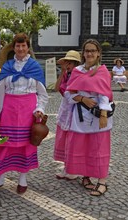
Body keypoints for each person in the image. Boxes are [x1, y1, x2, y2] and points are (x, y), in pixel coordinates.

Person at [0, 33, 48, 195]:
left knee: (25, 145)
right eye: (18, 46)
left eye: (23, 46)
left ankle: (22, 179)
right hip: (8, 111)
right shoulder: (7, 67)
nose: (20, 49)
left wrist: (40, 108)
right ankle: (0, 178)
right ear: (14, 48)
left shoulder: (34, 67)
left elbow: (42, 94)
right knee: (2, 144)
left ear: (27, 48)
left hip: (28, 112)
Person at [64, 39, 113, 196]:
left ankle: (102, 182)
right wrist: (82, 99)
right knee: (83, 147)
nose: (90, 53)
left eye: (93, 50)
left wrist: (104, 114)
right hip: (80, 115)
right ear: (83, 53)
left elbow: (104, 94)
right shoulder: (77, 71)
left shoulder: (102, 71)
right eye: (87, 51)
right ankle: (86, 176)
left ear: (98, 53)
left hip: (98, 114)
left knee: (99, 147)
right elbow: (68, 93)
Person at [53, 50, 81, 180]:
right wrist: (62, 72)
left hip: (75, 107)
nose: (68, 65)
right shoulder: (66, 75)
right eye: (66, 62)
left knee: (73, 138)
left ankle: (74, 169)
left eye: (70, 63)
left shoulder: (80, 75)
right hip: (65, 107)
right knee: (64, 138)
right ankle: (66, 167)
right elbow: (56, 88)